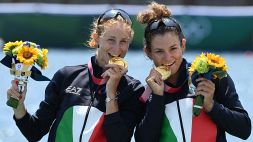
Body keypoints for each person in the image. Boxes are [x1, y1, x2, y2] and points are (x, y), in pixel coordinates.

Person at [7, 9, 145, 142]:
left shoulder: (133, 89)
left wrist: (111, 92)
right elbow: (34, 132)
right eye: (111, 40)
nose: (116, 49)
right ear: (96, 38)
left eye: (123, 42)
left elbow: (119, 139)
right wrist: (18, 106)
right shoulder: (66, 76)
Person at [134, 2, 251, 142]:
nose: (167, 57)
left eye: (173, 49)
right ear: (148, 52)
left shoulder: (210, 75)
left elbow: (244, 130)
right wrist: (157, 98)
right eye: (159, 51)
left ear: (183, 45)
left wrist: (211, 106)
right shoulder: (147, 93)